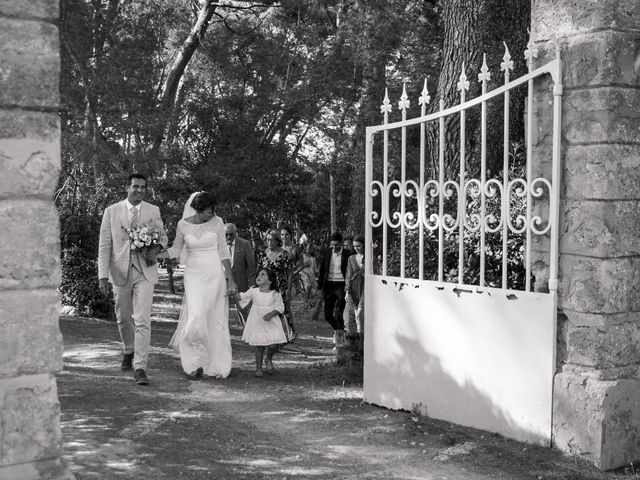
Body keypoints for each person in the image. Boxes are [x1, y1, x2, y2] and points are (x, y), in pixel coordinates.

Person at [157, 192, 237, 379]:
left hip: (214, 273)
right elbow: (176, 249)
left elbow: (223, 251)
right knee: (197, 316)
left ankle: (213, 364)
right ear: (197, 210)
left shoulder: (217, 222)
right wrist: (156, 255)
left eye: (213, 211)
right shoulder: (183, 225)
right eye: (208, 212)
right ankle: (194, 362)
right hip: (193, 275)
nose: (212, 214)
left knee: (214, 318)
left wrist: (230, 279)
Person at [98, 173, 168, 386]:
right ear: (127, 187)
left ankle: (140, 367)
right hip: (119, 271)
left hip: (145, 272)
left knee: (143, 319)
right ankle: (129, 349)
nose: (139, 190)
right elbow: (104, 246)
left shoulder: (153, 210)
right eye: (135, 186)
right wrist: (102, 276)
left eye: (143, 187)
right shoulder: (112, 211)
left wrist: (156, 248)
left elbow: (163, 237)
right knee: (123, 318)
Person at [235, 268, 287, 377]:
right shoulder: (253, 290)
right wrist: (233, 292)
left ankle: (268, 359)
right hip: (257, 321)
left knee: (273, 345)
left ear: (270, 280)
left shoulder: (275, 293)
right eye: (258, 274)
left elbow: (280, 307)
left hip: (271, 322)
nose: (259, 276)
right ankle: (258, 369)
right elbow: (241, 296)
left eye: (263, 275)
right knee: (259, 346)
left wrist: (271, 313)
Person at [255, 229, 295, 340]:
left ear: (277, 241)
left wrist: (289, 289)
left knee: (283, 311)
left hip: (280, 287)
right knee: (267, 311)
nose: (269, 242)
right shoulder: (263, 254)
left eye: (272, 240)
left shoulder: (284, 254)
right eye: (267, 240)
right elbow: (259, 271)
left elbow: (290, 273)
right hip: (266, 288)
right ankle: (271, 335)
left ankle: (289, 335)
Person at [317, 232, 349, 346]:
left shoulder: (347, 254)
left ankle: (340, 343)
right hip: (329, 285)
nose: (335, 247)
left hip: (341, 285)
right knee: (327, 315)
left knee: (338, 312)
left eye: (337, 244)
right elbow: (322, 271)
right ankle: (339, 331)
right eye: (333, 245)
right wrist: (320, 287)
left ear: (341, 243)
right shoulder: (327, 253)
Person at [225, 223, 256, 293]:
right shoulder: (218, 246)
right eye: (226, 234)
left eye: (231, 234)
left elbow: (251, 267)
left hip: (241, 287)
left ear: (235, 234)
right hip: (224, 287)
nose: (228, 237)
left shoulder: (245, 244)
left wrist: (252, 285)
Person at [345, 235, 365, 336]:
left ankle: (362, 336)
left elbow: (376, 272)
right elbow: (348, 275)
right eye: (355, 246)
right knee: (357, 315)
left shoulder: (370, 257)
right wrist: (347, 291)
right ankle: (360, 337)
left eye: (359, 246)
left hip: (366, 287)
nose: (356, 248)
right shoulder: (351, 258)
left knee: (360, 312)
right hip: (355, 288)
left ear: (364, 245)